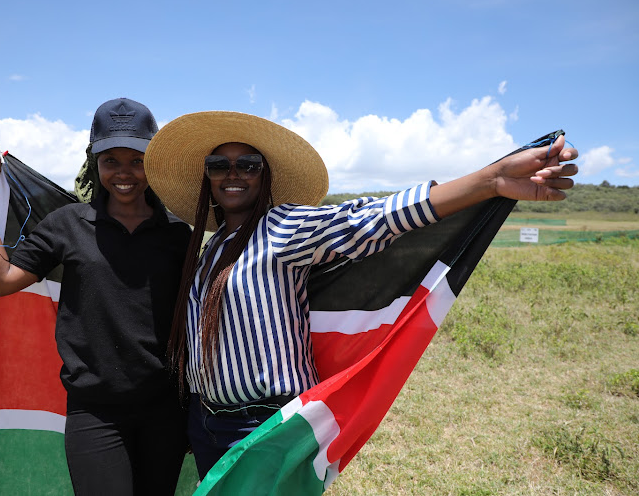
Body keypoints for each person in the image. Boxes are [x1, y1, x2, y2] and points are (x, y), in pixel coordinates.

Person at [142, 111, 579, 479]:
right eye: (220, 164)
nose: (232, 174)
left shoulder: (282, 227)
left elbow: (368, 220)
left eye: (248, 164)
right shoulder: (211, 246)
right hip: (205, 422)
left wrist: (490, 180)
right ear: (208, 176)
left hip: (263, 425)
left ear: (265, 174)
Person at [0, 98, 191, 495]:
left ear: (153, 162)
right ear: (94, 163)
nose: (124, 173)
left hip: (165, 410)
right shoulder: (67, 225)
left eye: (136, 160)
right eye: (111, 161)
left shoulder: (178, 235)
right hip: (95, 413)